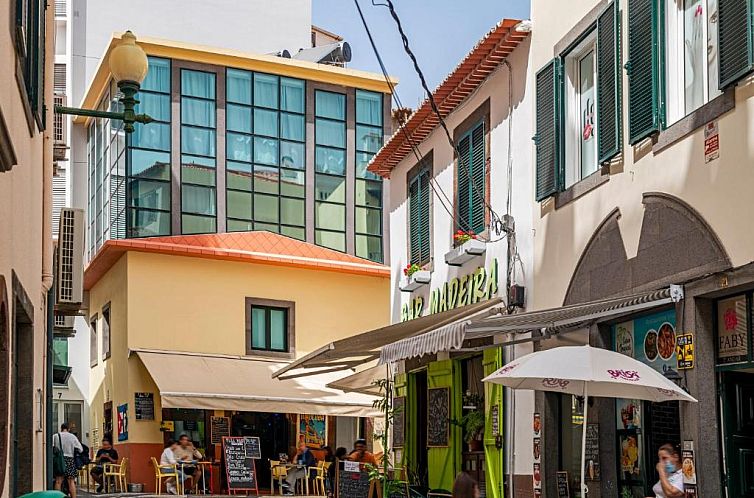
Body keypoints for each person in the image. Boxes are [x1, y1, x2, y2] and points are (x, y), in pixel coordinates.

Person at [53, 423, 84, 498]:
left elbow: (51, 447)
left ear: (61, 428)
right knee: (71, 482)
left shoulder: (56, 436)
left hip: (59, 460)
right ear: (68, 429)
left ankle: (57, 497)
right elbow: (81, 449)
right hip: (70, 460)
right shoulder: (72, 436)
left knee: (58, 481)